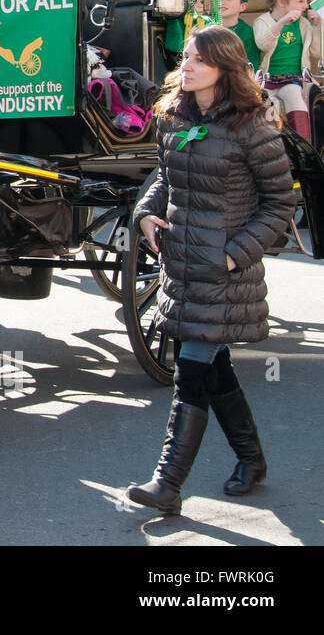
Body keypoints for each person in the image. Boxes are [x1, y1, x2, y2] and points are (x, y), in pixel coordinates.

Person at [129, 26, 295, 516]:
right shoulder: (174, 116)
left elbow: (280, 202)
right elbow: (165, 173)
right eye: (188, 57)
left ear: (224, 67)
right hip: (181, 264)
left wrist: (233, 253)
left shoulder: (252, 125)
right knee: (211, 366)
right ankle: (252, 458)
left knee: (193, 371)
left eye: (201, 60)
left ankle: (167, 483)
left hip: (223, 270)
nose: (189, 66)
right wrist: (145, 212)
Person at [253, 0, 319, 141]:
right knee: (265, 106)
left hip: (292, 79)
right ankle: (270, 145)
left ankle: (303, 144)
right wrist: (281, 22)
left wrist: (318, 26)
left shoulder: (303, 24)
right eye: (301, 1)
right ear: (282, 2)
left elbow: (317, 52)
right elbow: (263, 44)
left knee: (293, 95)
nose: (306, 5)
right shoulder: (263, 21)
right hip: (268, 78)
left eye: (306, 1)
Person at [216, 0, 258, 68]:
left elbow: (250, 68)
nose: (222, 2)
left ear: (242, 6)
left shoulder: (248, 34)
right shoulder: (204, 25)